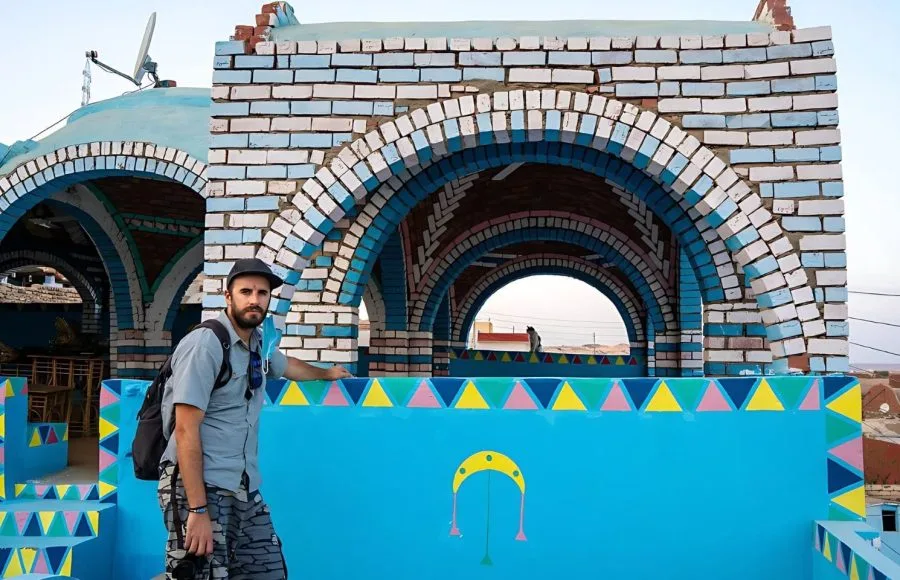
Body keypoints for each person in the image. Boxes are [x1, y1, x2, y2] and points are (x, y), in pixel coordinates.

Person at [157, 258, 351, 579]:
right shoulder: (205, 344)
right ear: (228, 296)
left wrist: (326, 373)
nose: (254, 299)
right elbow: (185, 429)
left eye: (262, 293)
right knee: (199, 575)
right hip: (197, 485)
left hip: (243, 485)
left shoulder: (258, 343)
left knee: (267, 570)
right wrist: (197, 509)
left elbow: (286, 366)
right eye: (245, 291)